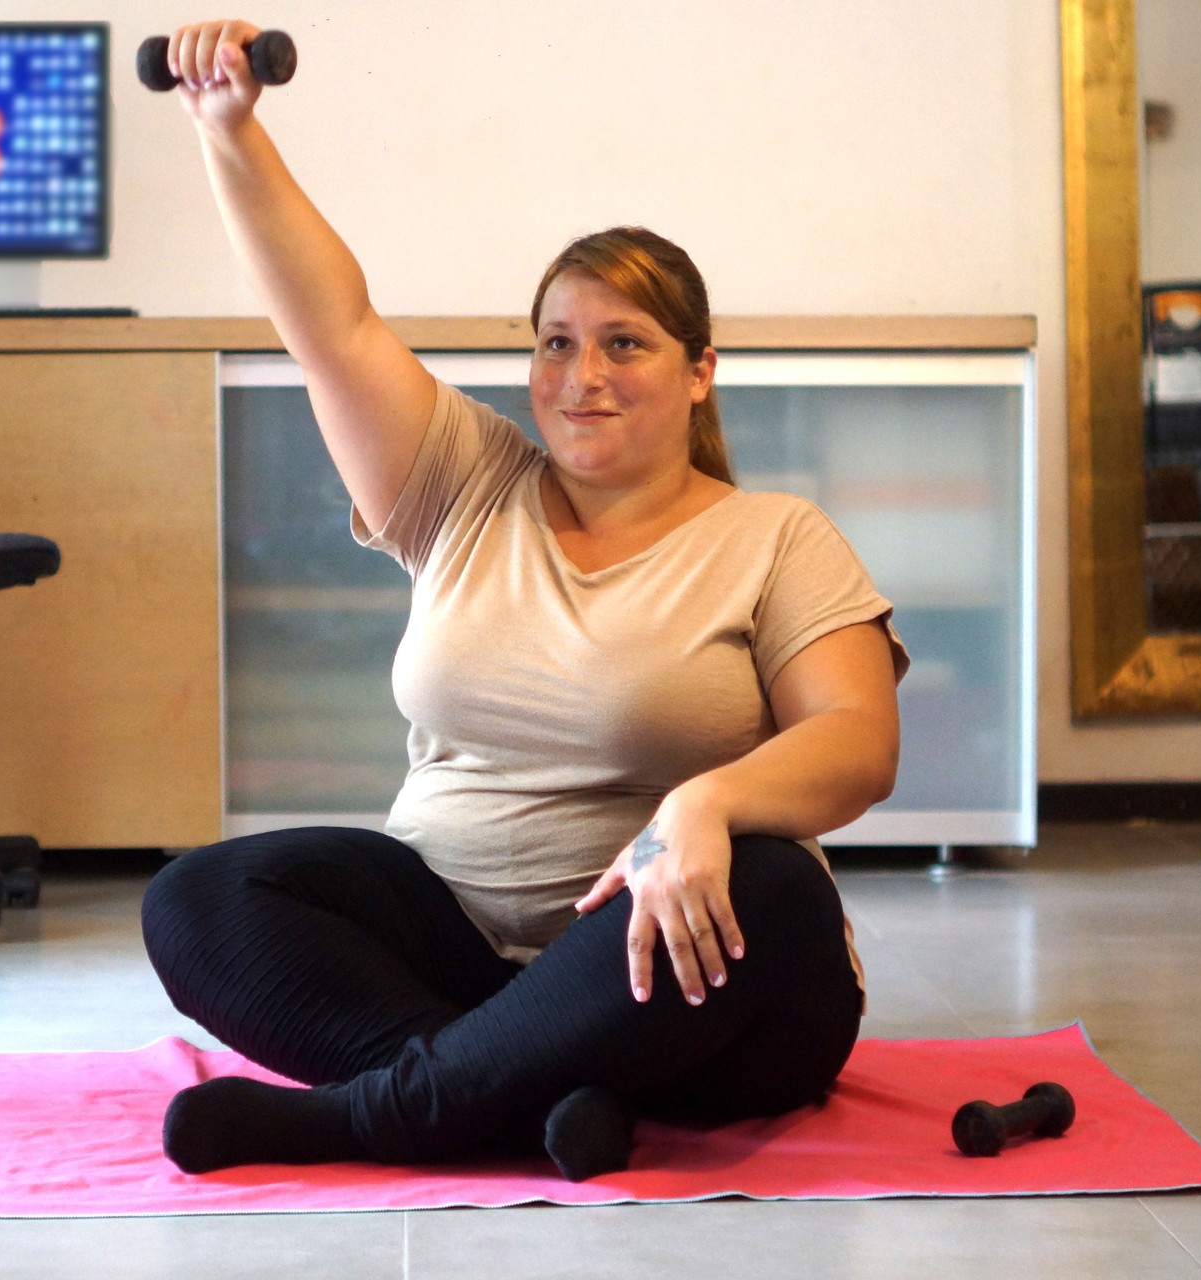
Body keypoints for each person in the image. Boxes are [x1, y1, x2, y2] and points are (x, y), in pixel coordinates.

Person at [140, 19, 909, 1182]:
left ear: (700, 369)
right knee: (202, 894)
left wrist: (705, 804)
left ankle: (371, 1116)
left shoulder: (776, 535)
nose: (579, 376)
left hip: (680, 976)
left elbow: (858, 741)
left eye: (624, 343)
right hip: (451, 953)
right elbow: (330, 322)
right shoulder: (466, 480)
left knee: (779, 886)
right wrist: (227, 128)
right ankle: (516, 1095)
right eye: (555, 342)